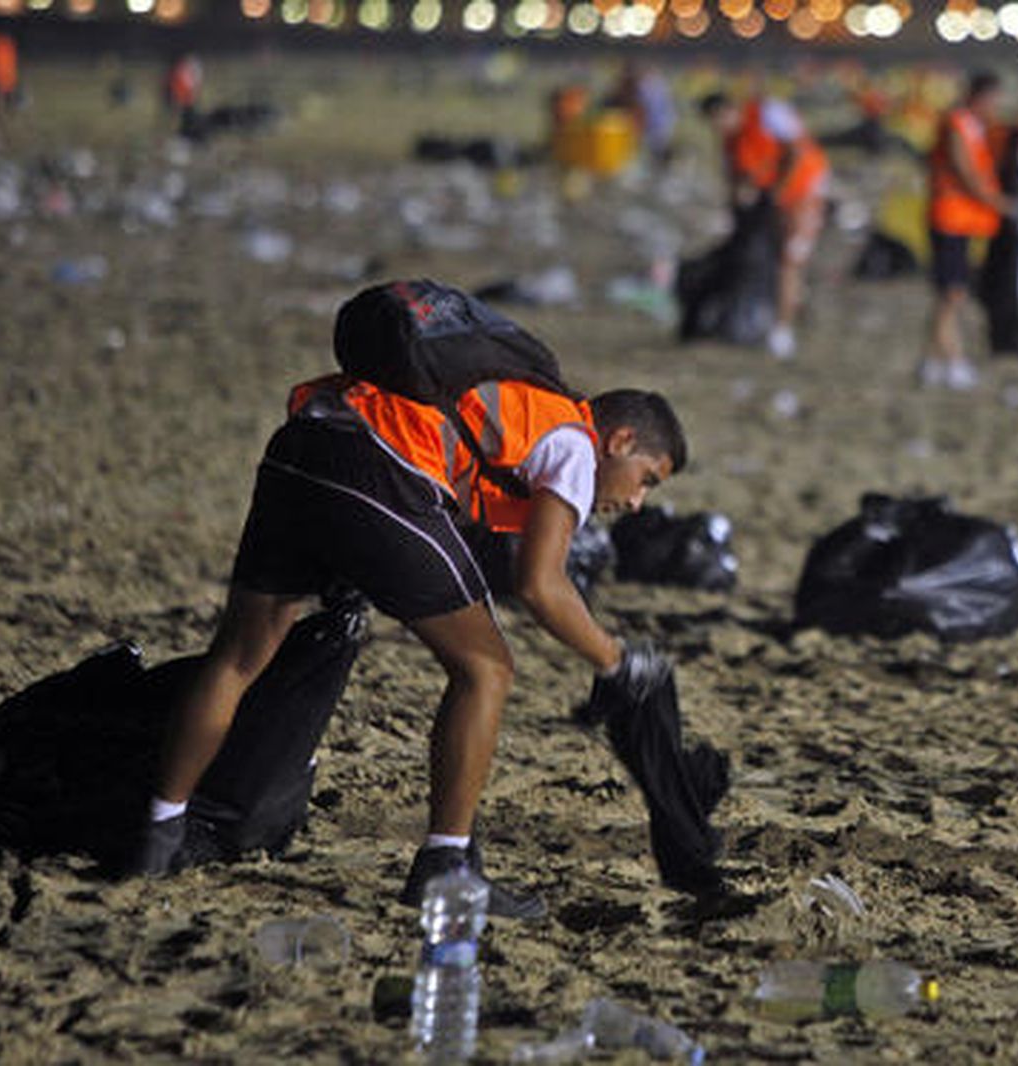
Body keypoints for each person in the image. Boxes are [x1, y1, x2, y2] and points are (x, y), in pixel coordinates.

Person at [129, 295, 689, 918]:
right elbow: (541, 584)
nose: (638, 502)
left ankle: (158, 836)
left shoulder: (518, 404)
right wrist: (618, 664)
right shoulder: (576, 444)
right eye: (647, 479)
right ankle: (445, 870)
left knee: (236, 658)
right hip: (381, 467)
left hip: (300, 445)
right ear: (621, 439)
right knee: (487, 670)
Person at [700, 90, 830, 360]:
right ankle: (778, 315)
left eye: (720, 120)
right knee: (771, 258)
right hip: (773, 201)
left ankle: (783, 330)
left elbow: (796, 150)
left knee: (790, 260)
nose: (719, 128)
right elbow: (737, 178)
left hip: (802, 192)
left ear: (729, 110)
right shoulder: (730, 141)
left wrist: (776, 191)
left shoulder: (768, 113)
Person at [920, 71, 1018, 391]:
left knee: (950, 296)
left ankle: (932, 363)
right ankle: (954, 363)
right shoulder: (957, 123)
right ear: (980, 97)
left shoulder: (973, 126)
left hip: (962, 221)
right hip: (949, 219)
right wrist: (999, 203)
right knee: (952, 294)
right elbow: (965, 172)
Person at [163, 51, 203, 136]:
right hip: (181, 98)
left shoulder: (186, 68)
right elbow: (177, 83)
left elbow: (191, 83)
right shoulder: (180, 69)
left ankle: (186, 131)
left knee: (186, 115)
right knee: (180, 116)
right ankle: (182, 132)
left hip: (185, 99)